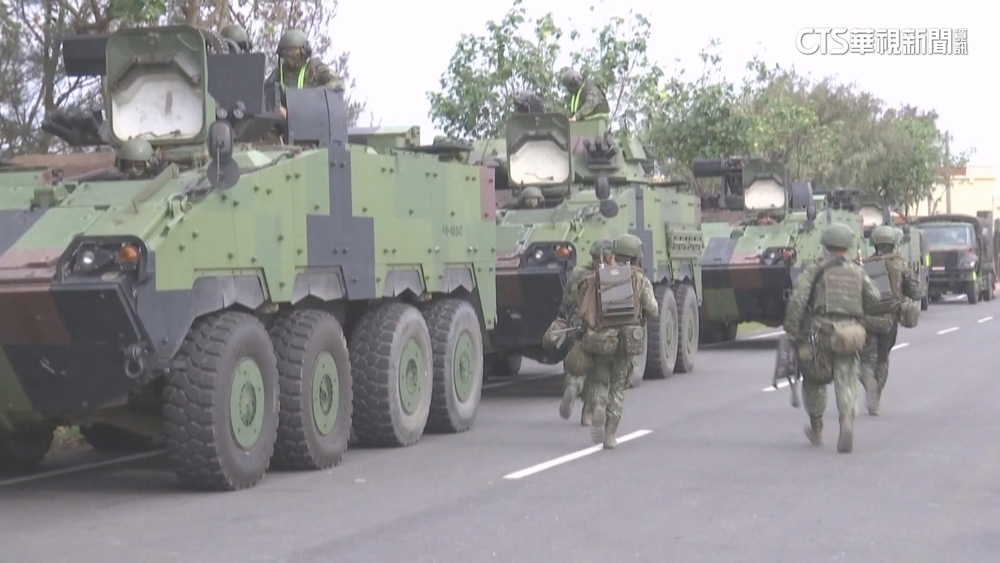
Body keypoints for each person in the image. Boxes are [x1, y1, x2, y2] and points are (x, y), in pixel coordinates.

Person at [783, 223, 882, 454]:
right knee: (846, 377)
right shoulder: (858, 271)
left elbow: (798, 300)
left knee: (814, 379)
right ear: (847, 244)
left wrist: (792, 330)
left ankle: (817, 426)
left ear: (825, 243)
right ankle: (846, 419)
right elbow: (875, 297)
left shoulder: (815, 270)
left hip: (821, 332)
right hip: (850, 334)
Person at [575, 234, 657, 449]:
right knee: (617, 389)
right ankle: (610, 435)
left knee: (600, 381)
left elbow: (582, 309)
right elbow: (653, 310)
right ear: (636, 255)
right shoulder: (640, 279)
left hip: (600, 340)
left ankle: (598, 405)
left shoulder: (597, 277)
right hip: (625, 343)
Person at [860, 225, 921, 415]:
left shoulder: (864, 265)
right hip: (889, 320)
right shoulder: (899, 264)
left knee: (867, 360)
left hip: (867, 319)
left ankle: (868, 379)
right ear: (894, 243)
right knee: (883, 358)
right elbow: (917, 292)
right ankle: (876, 399)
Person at [557, 239, 613, 425]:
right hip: (602, 328)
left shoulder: (578, 273)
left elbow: (567, 299)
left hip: (578, 325)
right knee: (598, 370)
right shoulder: (614, 275)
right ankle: (588, 413)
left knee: (578, 365)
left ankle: (573, 385)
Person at [267, 29, 345, 118]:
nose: (288, 54)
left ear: (304, 50)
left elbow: (339, 84)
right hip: (285, 122)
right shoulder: (279, 72)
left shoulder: (315, 68)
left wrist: (314, 94)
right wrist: (277, 108)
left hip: (311, 119)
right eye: (285, 50)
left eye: (293, 50)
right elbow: (264, 93)